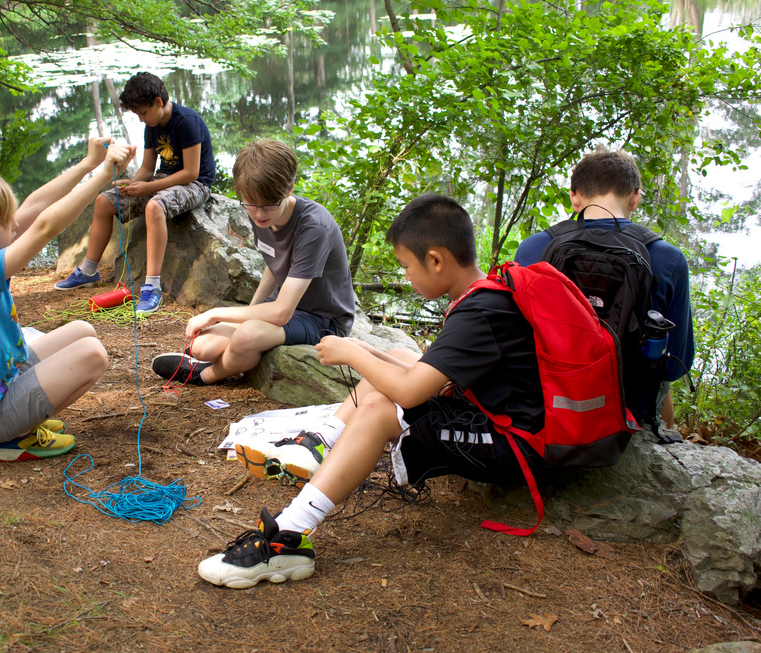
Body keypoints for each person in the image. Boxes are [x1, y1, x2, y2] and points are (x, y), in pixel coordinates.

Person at [197, 194, 547, 588]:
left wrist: (350, 353)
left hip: (513, 443)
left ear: (436, 260)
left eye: (407, 266)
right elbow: (436, 375)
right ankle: (325, 445)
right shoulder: (482, 295)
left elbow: (411, 392)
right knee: (395, 353)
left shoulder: (478, 313)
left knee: (382, 406)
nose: (408, 277)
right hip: (491, 418)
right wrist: (368, 351)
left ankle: (288, 538)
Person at [0, 139, 136, 462]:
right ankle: (15, 438)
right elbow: (45, 226)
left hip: (1, 380)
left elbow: (36, 205)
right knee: (93, 355)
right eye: (6, 221)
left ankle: (24, 413)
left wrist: (88, 163)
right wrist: (102, 177)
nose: (15, 225)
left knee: (83, 331)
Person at [149, 139, 356, 386]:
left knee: (247, 335)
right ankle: (216, 360)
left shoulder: (313, 227)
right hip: (289, 308)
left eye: (268, 206)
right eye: (251, 204)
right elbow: (274, 263)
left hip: (322, 319)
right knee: (202, 347)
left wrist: (216, 314)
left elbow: (280, 312)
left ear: (289, 189)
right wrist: (251, 310)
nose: (259, 214)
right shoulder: (261, 212)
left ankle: (203, 375)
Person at [514, 148, 694, 426]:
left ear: (574, 197)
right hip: (626, 411)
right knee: (662, 383)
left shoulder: (533, 248)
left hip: (547, 403)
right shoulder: (669, 259)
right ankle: (659, 437)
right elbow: (675, 364)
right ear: (635, 197)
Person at [54, 72, 216, 316]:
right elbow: (148, 169)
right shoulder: (152, 125)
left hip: (195, 185)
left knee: (154, 207)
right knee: (104, 201)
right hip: (164, 179)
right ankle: (88, 270)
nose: (141, 120)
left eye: (143, 113)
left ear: (159, 103)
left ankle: (151, 286)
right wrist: (131, 185)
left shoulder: (187, 121)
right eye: (138, 115)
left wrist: (149, 188)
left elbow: (191, 173)